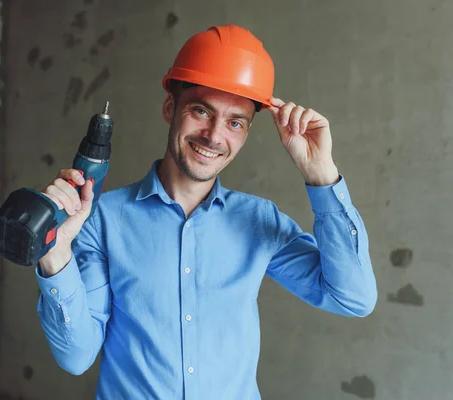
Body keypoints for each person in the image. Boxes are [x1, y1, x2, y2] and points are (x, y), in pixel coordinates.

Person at [34, 24, 377, 399]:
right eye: (201, 110)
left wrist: (321, 175)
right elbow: (76, 356)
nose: (214, 136)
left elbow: (353, 298)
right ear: (171, 108)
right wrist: (56, 256)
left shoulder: (260, 221)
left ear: (245, 133)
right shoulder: (103, 220)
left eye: (235, 122)